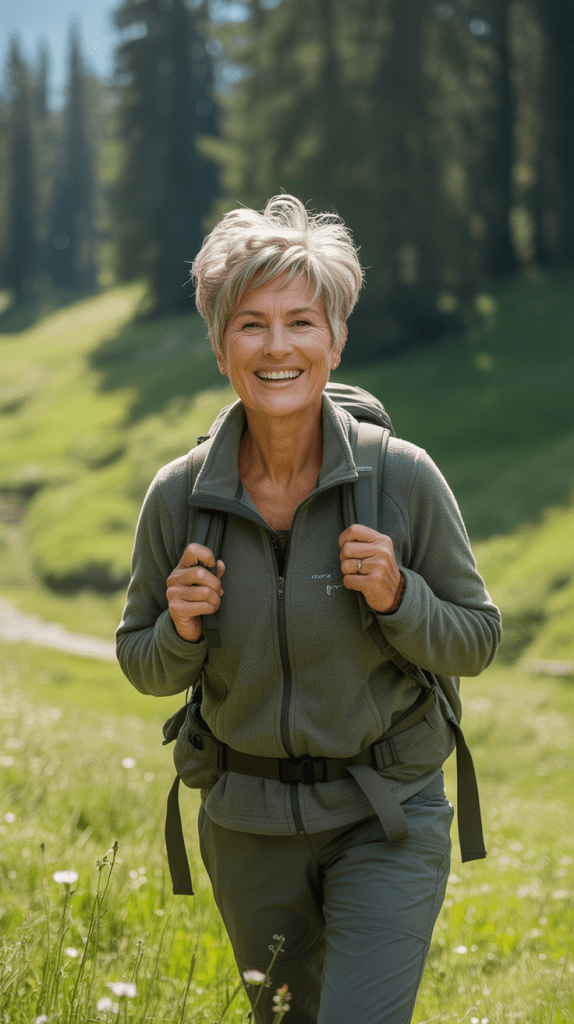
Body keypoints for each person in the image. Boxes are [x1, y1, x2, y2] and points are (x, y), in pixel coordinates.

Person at [116, 195, 501, 1024]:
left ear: (335, 340)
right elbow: (139, 661)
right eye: (252, 324)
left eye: (301, 321)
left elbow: (477, 639)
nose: (279, 346)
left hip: (386, 813)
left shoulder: (402, 478)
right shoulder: (179, 497)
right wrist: (179, 630)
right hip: (246, 824)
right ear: (222, 346)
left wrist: (402, 598)